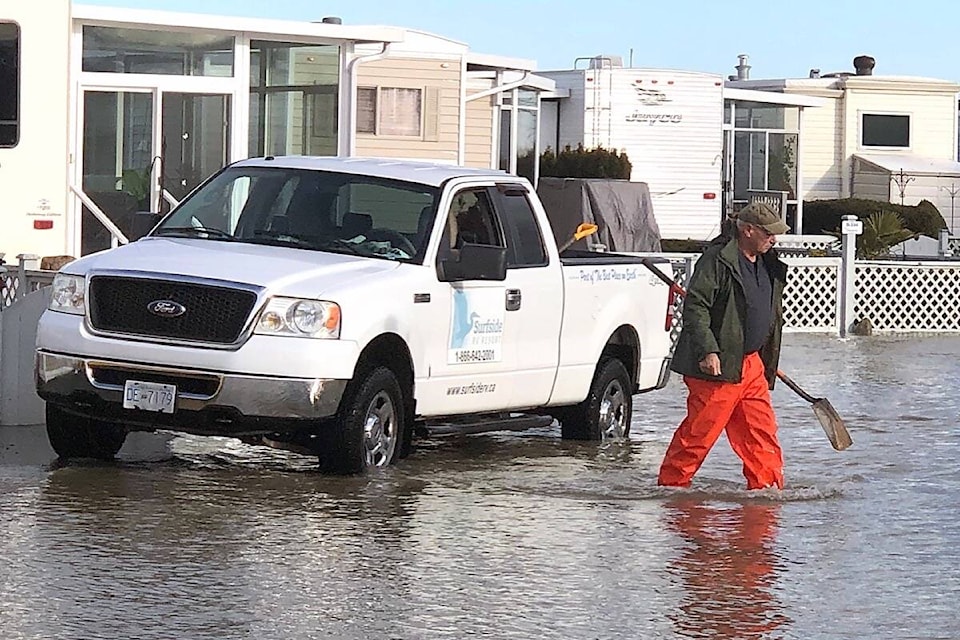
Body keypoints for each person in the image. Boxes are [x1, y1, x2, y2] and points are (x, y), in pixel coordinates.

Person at [658, 201, 789, 490]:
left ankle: (766, 495)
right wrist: (708, 350)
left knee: (762, 434)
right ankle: (671, 490)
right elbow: (696, 307)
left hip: (753, 364)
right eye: (769, 233)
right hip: (716, 367)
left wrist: (766, 358)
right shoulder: (717, 260)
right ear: (748, 230)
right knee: (698, 435)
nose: (774, 239)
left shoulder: (768, 262)